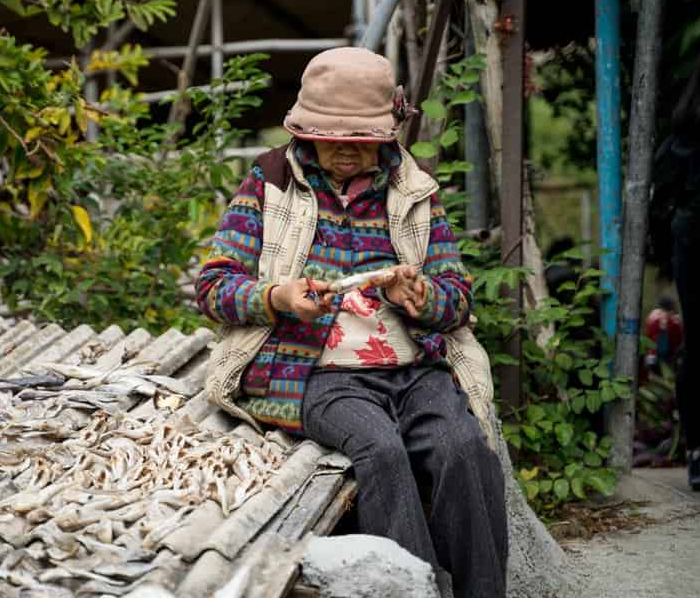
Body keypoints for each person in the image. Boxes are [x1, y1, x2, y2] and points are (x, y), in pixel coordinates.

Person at [196, 48, 507, 598]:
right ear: (305, 130)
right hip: (313, 372)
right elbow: (214, 286)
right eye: (330, 135)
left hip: (416, 369)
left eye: (361, 138)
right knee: (380, 451)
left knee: (463, 448)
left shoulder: (414, 188)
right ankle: (414, 591)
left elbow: (457, 298)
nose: (345, 149)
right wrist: (279, 297)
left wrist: (420, 296)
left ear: (387, 131)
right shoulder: (270, 183)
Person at [650, 48, 700, 491]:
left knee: (696, 347)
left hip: (691, 239)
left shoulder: (684, 125)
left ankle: (698, 451)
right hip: (693, 236)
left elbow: (660, 196)